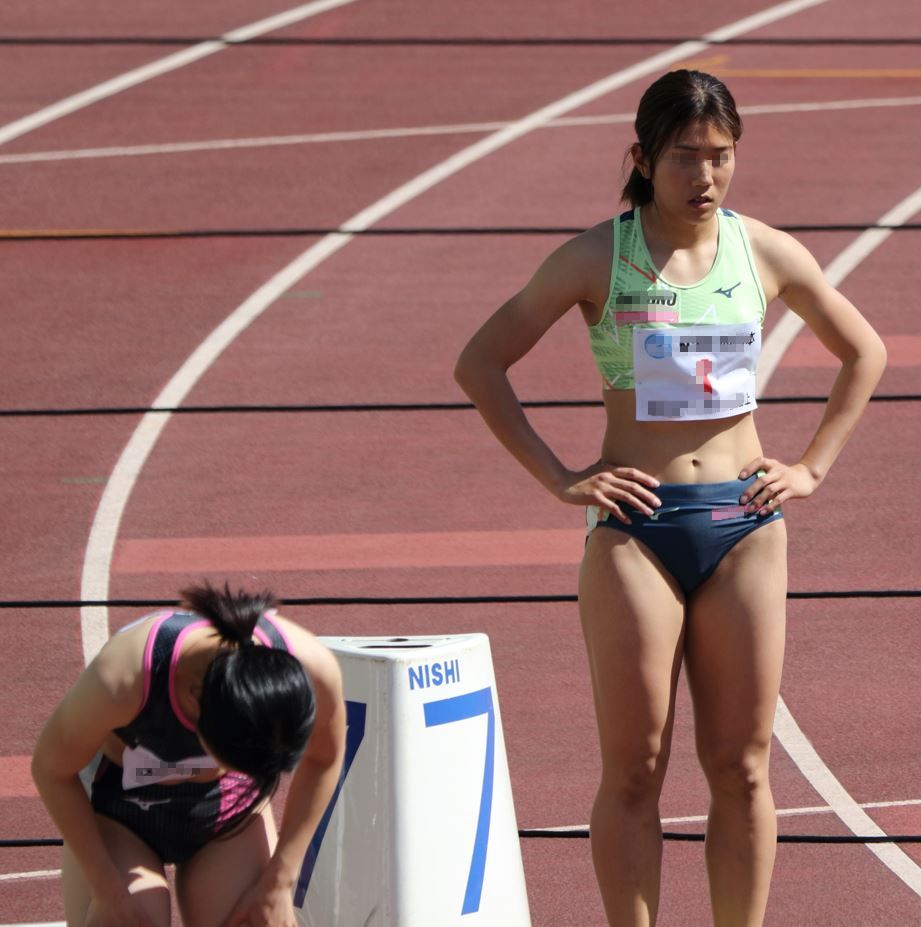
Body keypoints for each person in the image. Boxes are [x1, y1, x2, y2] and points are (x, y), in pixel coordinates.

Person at [454, 69, 886, 927]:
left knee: (741, 764)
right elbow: (480, 362)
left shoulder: (762, 250)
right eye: (685, 156)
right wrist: (558, 475)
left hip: (745, 525)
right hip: (636, 529)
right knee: (634, 765)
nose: (705, 176)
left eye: (721, 157)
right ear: (643, 158)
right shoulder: (594, 258)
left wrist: (810, 467)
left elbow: (862, 351)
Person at [32, 582, 346, 927]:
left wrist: (280, 881)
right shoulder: (123, 675)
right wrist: (107, 888)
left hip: (229, 812)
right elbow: (50, 770)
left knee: (256, 920)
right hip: (118, 813)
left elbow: (324, 759)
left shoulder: (313, 667)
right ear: (196, 706)